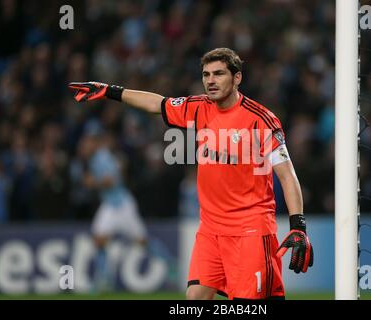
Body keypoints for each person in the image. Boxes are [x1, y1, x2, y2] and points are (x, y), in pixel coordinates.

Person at [69, 47, 313, 300]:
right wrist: (109, 90)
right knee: (194, 297)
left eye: (218, 74)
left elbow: (287, 175)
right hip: (210, 229)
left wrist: (298, 226)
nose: (210, 81)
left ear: (237, 78)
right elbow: (157, 104)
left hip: (249, 230)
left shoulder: (261, 120)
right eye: (206, 75)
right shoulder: (198, 107)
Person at [77, 123, 148, 292]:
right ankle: (104, 280)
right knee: (99, 239)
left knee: (142, 241)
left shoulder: (103, 157)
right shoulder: (95, 158)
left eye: (90, 140)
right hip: (110, 204)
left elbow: (112, 181)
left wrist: (92, 182)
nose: (86, 143)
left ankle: (170, 268)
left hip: (122, 204)